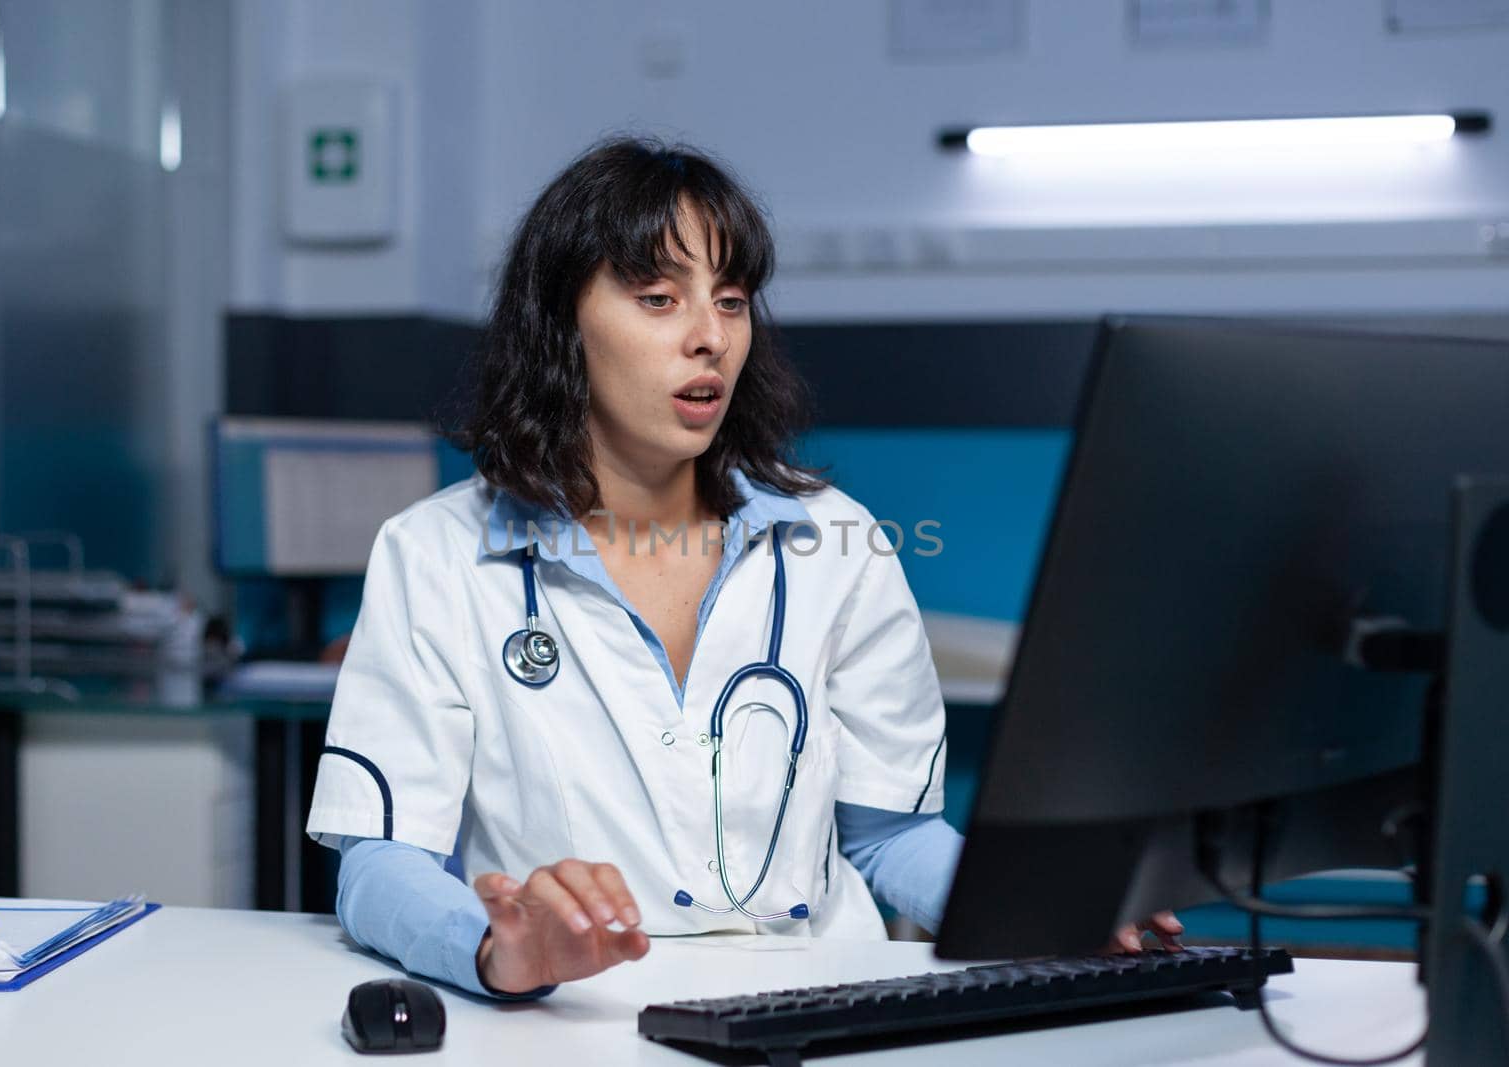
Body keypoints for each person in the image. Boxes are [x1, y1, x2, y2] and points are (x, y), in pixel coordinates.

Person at [305, 136, 1181, 998]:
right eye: (657, 297)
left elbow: (891, 837)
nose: (710, 338)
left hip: (821, 1011)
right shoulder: (436, 555)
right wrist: (496, 949)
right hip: (579, 1022)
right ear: (559, 324)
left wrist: (1050, 909)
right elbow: (380, 859)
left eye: (731, 300)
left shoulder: (838, 543)